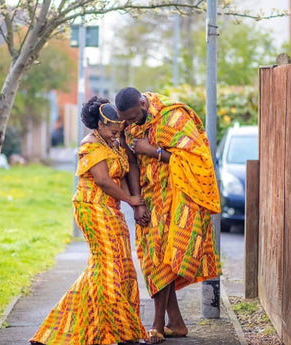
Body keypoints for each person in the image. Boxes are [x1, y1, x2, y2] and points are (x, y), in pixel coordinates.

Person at [30, 96, 148, 345]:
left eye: (119, 131)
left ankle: (61, 331)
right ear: (99, 125)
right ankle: (125, 332)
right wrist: (131, 201)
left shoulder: (113, 143)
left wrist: (133, 198)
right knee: (109, 266)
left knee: (121, 266)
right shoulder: (90, 145)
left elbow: (124, 172)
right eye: (113, 131)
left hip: (111, 208)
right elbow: (104, 181)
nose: (117, 135)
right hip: (92, 207)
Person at [115, 87, 222, 343]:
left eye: (132, 117)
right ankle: (176, 323)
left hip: (179, 198)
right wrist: (137, 203)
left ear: (142, 102)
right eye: (125, 119)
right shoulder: (127, 124)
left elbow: (198, 160)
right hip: (151, 200)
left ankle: (157, 324)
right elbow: (131, 162)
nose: (128, 123)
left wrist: (153, 151)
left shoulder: (174, 117)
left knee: (168, 257)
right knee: (153, 258)